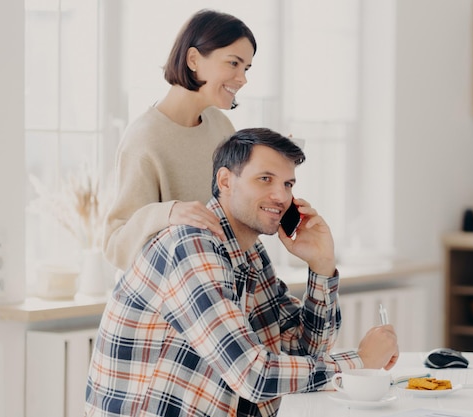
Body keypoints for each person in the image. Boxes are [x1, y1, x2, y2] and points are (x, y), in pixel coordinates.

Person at [85, 128, 399, 417]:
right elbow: (253, 375)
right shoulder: (192, 246)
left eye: (287, 184)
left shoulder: (250, 254)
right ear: (225, 181)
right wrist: (360, 363)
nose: (281, 196)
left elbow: (304, 350)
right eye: (265, 179)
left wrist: (321, 266)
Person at [103, 9, 256, 271]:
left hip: (217, 287)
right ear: (193, 59)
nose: (242, 79)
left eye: (246, 68)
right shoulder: (144, 140)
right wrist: (169, 213)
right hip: (167, 305)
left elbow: (231, 215)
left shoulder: (220, 126)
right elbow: (116, 247)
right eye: (233, 63)